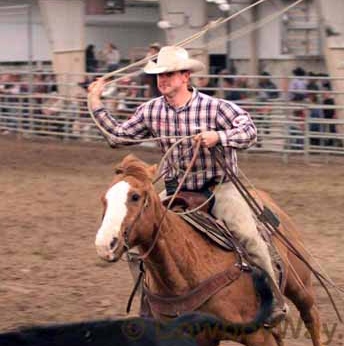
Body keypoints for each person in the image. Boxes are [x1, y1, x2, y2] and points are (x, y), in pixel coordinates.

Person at [87, 45, 287, 326]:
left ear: (185, 76)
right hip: (175, 189)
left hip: (218, 188)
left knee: (248, 236)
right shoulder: (151, 111)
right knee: (137, 243)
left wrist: (218, 137)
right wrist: (96, 101)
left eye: (169, 74)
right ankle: (151, 303)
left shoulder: (215, 107)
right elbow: (118, 136)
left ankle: (274, 303)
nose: (163, 80)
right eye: (160, 75)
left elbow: (249, 130)